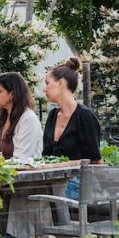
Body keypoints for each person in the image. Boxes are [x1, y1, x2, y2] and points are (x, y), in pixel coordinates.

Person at [43, 58, 101, 200]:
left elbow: (96, 161)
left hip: (78, 186)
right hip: (53, 182)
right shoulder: (52, 116)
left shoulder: (85, 117)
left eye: (47, 83)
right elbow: (45, 156)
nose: (44, 89)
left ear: (60, 83)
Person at [0, 72, 43, 162]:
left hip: (26, 174)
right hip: (2, 173)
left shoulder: (28, 118)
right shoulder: (0, 119)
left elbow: (22, 158)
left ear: (12, 94)